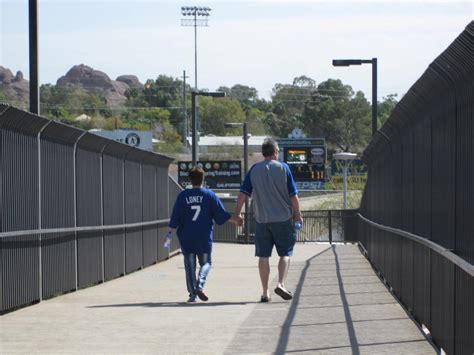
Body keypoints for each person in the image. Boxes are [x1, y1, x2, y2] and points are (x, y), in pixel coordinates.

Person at [234, 138, 303, 303]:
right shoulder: (283, 168)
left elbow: (243, 194)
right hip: (283, 219)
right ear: (275, 152)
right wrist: (298, 215)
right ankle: (281, 283)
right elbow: (293, 196)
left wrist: (237, 214)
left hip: (262, 220)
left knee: (263, 256)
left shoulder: (254, 170)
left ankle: (265, 292)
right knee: (285, 253)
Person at [167, 166, 242, 303]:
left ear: (190, 179)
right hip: (204, 237)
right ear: (203, 179)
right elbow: (221, 215)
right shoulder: (209, 195)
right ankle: (200, 285)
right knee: (206, 263)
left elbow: (175, 216)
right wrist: (235, 220)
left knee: (189, 266)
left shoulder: (183, 196)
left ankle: (192, 295)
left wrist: (170, 232)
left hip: (187, 237)